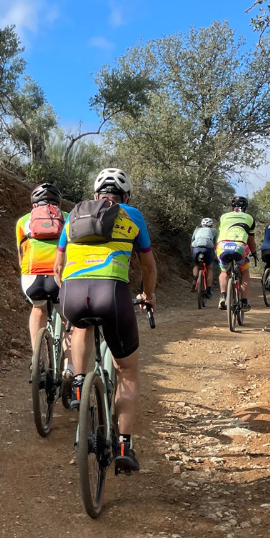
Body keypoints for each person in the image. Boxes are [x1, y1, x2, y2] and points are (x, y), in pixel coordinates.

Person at [54, 167, 156, 473]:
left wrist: (67, 295)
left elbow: (59, 264)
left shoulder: (75, 214)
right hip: (112, 292)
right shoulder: (132, 215)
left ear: (96, 194)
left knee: (81, 324)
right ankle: (124, 444)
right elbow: (148, 267)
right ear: (125, 196)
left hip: (72, 292)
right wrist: (148, 296)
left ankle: (78, 382)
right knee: (127, 371)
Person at [16, 183, 71, 377]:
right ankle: (69, 370)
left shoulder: (23, 221)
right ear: (58, 203)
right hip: (59, 277)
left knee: (38, 308)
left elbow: (21, 257)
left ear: (34, 205)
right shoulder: (68, 218)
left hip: (32, 277)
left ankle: (36, 357)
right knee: (68, 321)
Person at [217, 194, 257, 310]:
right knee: (244, 272)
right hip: (240, 246)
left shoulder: (223, 217)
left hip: (222, 246)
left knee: (224, 272)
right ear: (245, 207)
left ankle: (223, 296)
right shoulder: (249, 218)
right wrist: (254, 253)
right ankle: (244, 302)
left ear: (231, 206)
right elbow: (251, 241)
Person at [190, 217, 217, 295]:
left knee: (196, 265)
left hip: (196, 248)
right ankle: (208, 289)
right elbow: (217, 243)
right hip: (207, 248)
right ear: (211, 225)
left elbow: (191, 243)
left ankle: (195, 278)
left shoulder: (196, 230)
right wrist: (215, 254)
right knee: (210, 268)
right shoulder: (214, 231)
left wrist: (192, 253)